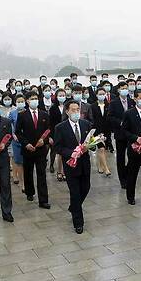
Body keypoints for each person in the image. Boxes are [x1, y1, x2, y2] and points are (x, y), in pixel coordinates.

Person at [54, 100, 92, 234]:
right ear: (67, 111)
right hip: (71, 165)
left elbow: (90, 141)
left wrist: (91, 145)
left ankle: (73, 207)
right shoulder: (60, 127)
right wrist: (72, 153)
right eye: (73, 110)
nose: (76, 112)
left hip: (85, 163)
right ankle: (78, 222)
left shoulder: (86, 124)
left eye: (78, 110)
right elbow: (57, 147)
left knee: (86, 188)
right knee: (74, 193)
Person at [15, 91, 51, 208]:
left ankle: (43, 200)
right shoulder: (22, 115)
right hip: (28, 149)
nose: (34, 100)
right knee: (28, 172)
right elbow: (18, 133)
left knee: (42, 174)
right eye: (32, 99)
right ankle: (30, 192)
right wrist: (25, 144)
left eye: (36, 98)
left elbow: (48, 131)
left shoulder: (44, 114)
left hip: (41, 150)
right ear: (27, 101)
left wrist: (44, 141)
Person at [108, 82, 134, 189]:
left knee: (132, 156)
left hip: (131, 134)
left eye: (126, 88)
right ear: (118, 90)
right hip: (120, 134)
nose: (125, 90)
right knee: (121, 157)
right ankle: (122, 179)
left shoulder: (132, 101)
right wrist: (121, 122)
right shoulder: (114, 103)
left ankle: (128, 173)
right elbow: (110, 117)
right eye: (123, 88)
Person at [90, 87, 112, 176]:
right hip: (97, 131)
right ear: (96, 95)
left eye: (103, 94)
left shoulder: (109, 105)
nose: (102, 96)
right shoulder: (93, 106)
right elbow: (92, 120)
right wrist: (97, 133)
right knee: (101, 148)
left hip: (106, 131)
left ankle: (100, 165)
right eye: (100, 94)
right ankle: (106, 168)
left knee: (103, 149)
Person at [49, 89, 67, 181]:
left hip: (66, 132)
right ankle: (58, 171)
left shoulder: (68, 106)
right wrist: (50, 136)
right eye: (60, 95)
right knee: (58, 153)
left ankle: (64, 171)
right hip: (56, 133)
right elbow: (51, 123)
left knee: (65, 153)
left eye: (63, 95)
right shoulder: (53, 108)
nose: (62, 97)